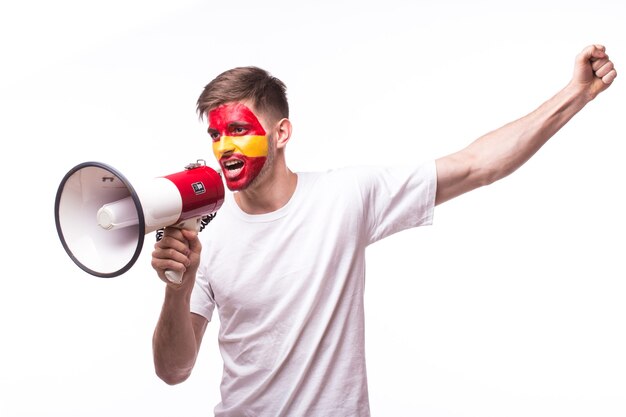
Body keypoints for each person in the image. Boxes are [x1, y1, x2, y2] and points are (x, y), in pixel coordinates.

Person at [151, 44, 617, 416]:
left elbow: (477, 166)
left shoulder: (344, 197)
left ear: (282, 132)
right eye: (215, 135)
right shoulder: (203, 237)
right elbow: (174, 370)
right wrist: (179, 286)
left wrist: (575, 93)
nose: (224, 146)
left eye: (236, 129)